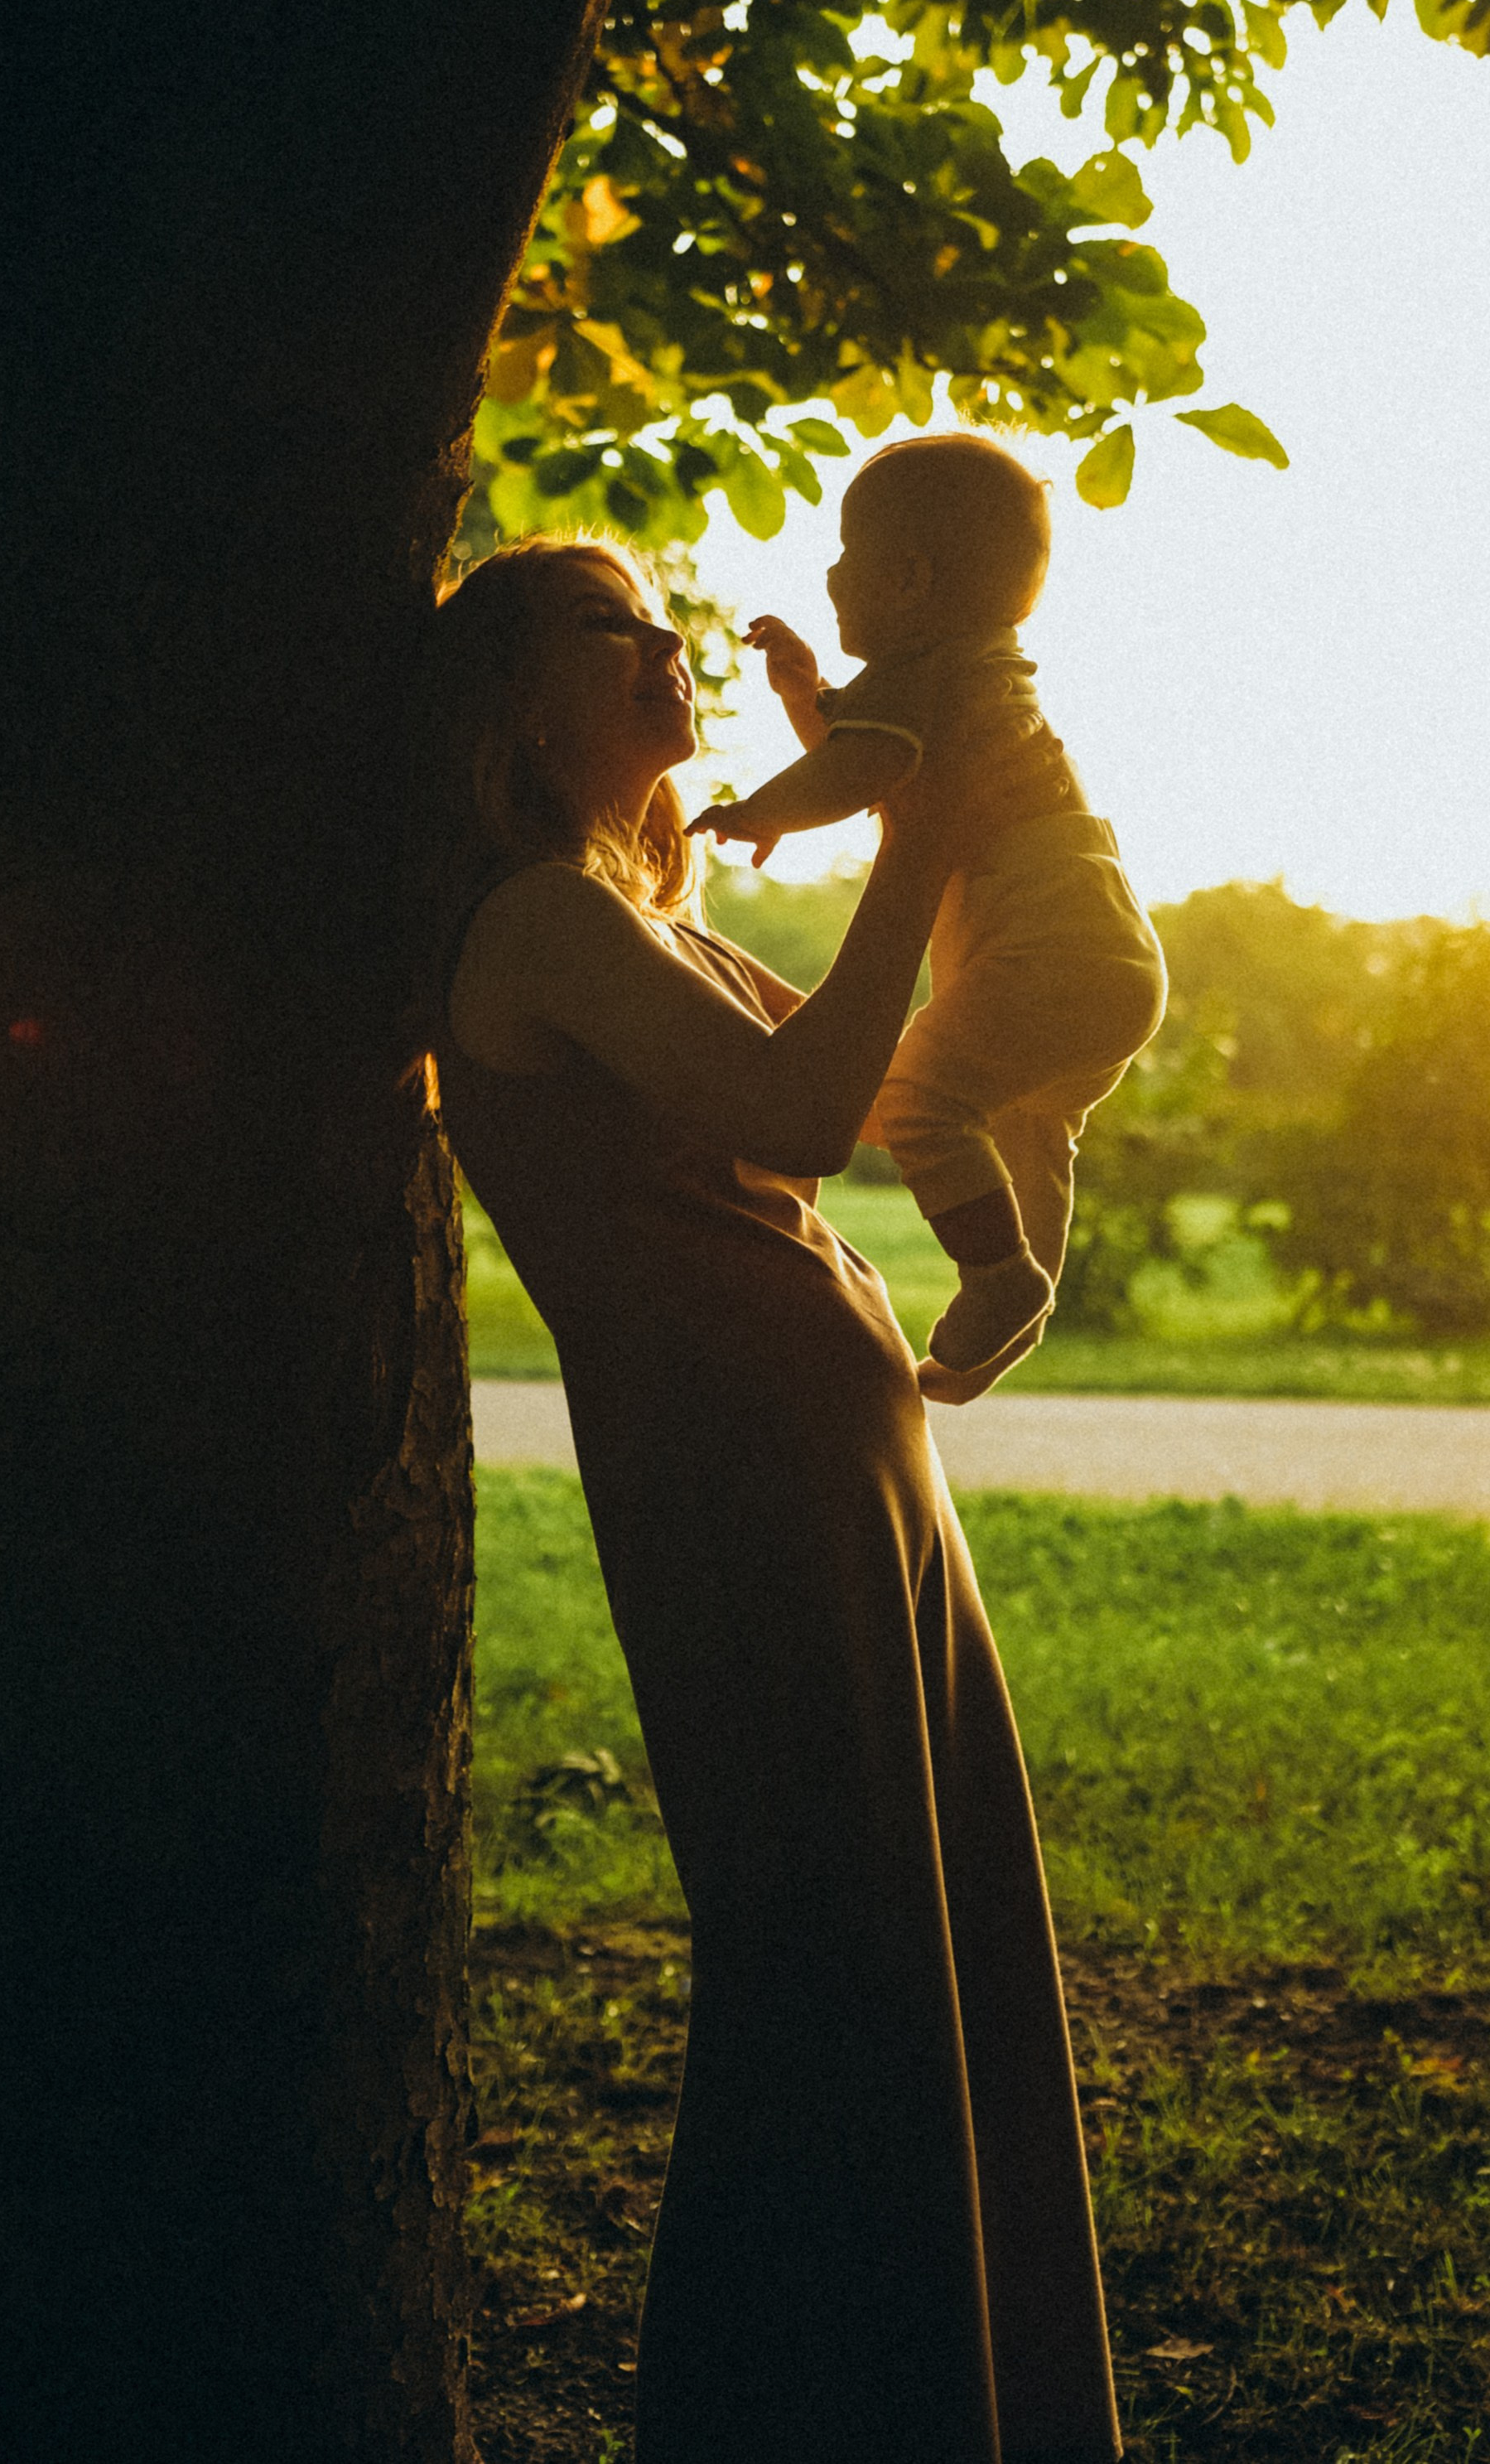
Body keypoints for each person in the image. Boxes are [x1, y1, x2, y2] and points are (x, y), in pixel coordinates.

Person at [417, 533, 1122, 2464]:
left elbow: (866, 1064)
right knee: (830, 1961)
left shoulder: (632, 914)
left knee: (932, 1929)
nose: (662, 643)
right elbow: (803, 1117)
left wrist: (920, 816)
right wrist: (912, 831)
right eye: (606, 623)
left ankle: (972, 2401)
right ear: (508, 699)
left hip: (839, 1441)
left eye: (662, 619)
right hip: (738, 1461)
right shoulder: (531, 923)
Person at [687, 436, 1167, 1404]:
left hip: (1046, 958)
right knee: (1031, 1131)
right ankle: (1005, 1319)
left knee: (915, 1097)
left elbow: (861, 769)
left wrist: (757, 811)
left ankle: (997, 1275)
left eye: (844, 551)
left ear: (906, 580)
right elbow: (869, 750)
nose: (827, 572)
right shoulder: (983, 671)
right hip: (1113, 960)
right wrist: (801, 695)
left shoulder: (926, 671)